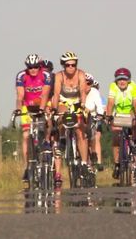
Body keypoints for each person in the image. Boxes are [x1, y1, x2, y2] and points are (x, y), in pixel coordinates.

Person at [14, 54, 51, 185]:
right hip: (27, 106)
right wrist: (18, 109)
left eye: (36, 67)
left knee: (48, 116)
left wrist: (42, 108)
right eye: (30, 67)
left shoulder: (45, 75)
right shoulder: (21, 76)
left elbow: (45, 94)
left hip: (42, 103)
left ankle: (46, 141)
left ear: (39, 66)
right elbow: (20, 95)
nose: (33, 69)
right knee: (25, 136)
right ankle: (27, 166)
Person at [51, 51, 89, 180]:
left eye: (73, 65)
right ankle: (62, 138)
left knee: (80, 130)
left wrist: (83, 106)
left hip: (78, 102)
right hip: (64, 101)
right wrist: (54, 109)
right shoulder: (59, 76)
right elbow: (56, 94)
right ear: (63, 65)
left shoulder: (81, 75)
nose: (71, 68)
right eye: (68, 65)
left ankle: (84, 162)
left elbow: (83, 92)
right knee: (61, 117)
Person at [105, 67, 136, 179]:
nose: (122, 82)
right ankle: (117, 164)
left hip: (130, 111)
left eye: (124, 79)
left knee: (135, 122)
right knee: (116, 137)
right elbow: (111, 103)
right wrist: (109, 115)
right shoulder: (113, 86)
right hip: (118, 113)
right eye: (119, 79)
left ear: (129, 80)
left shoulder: (133, 87)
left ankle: (135, 142)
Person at [83, 73, 104, 171]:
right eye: (84, 83)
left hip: (92, 116)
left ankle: (95, 155)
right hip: (80, 117)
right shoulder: (78, 91)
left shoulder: (94, 92)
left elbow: (99, 105)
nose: (86, 86)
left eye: (89, 83)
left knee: (94, 136)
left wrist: (100, 114)